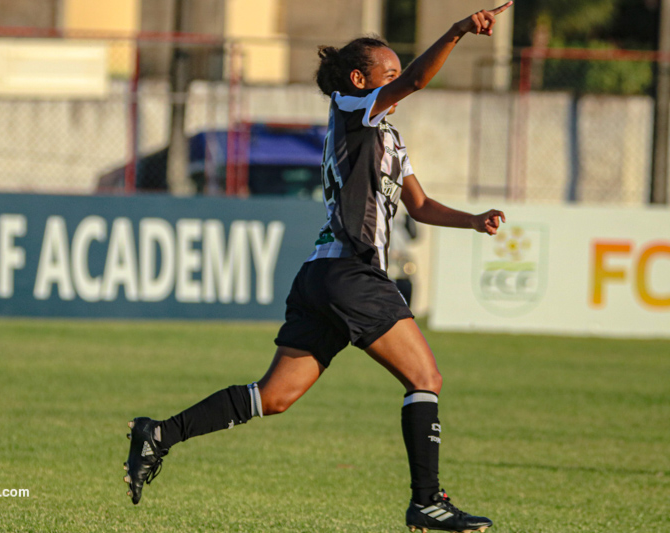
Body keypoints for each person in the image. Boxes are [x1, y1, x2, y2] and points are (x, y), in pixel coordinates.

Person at [123, 3, 512, 532]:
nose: (398, 81)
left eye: (396, 74)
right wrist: (459, 29)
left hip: (322, 275)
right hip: (352, 272)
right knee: (425, 376)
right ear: (359, 79)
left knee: (274, 396)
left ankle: (159, 434)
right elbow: (420, 80)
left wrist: (472, 220)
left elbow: (418, 206)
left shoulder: (387, 136)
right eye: (388, 73)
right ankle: (427, 501)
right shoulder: (354, 108)